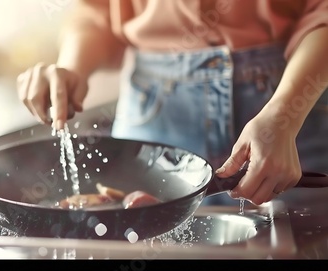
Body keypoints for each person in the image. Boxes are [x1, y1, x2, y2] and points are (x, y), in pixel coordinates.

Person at [16, 0, 328, 206]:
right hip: (153, 135)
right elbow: (98, 11)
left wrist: (284, 115)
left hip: (290, 113)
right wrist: (72, 67)